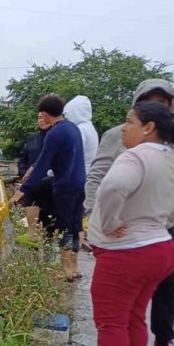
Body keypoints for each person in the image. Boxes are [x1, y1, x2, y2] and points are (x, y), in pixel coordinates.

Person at [69, 102, 174, 346]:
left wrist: (108, 223)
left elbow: (111, 187)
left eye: (130, 121)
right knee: (134, 318)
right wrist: (156, 221)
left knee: (111, 323)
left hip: (128, 253)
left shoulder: (136, 156)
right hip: (161, 248)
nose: (125, 128)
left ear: (148, 127)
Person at [85, 79, 174, 346]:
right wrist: (96, 217)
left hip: (154, 230)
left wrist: (157, 219)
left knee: (129, 310)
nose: (157, 107)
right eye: (150, 101)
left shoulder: (173, 145)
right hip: (123, 231)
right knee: (127, 311)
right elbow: (99, 178)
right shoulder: (119, 137)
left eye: (163, 102)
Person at [11, 95, 86, 279]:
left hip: (65, 186)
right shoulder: (73, 127)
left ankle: (66, 270)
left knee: (64, 227)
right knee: (76, 225)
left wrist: (22, 190)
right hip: (79, 183)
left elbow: (43, 164)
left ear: (44, 114)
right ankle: (75, 268)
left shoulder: (55, 132)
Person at [65, 95, 99, 250]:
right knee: (77, 219)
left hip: (76, 178)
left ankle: (71, 255)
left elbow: (71, 155)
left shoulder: (79, 130)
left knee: (70, 220)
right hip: (86, 177)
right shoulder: (90, 128)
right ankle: (75, 257)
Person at [16, 114, 53, 242]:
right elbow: (22, 159)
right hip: (31, 183)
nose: (42, 120)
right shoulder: (32, 139)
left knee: (48, 217)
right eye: (39, 118)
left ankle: (48, 243)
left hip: (49, 184)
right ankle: (32, 237)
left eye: (45, 117)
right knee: (31, 207)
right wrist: (23, 173)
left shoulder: (55, 138)